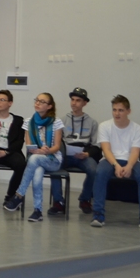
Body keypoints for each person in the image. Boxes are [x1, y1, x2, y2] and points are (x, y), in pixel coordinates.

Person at [91, 95, 140, 230]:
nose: (117, 113)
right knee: (100, 172)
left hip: (131, 160)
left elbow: (135, 152)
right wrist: (116, 165)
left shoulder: (137, 129)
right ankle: (98, 215)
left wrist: (129, 166)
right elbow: (106, 150)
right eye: (114, 110)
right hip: (110, 160)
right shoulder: (104, 126)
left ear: (128, 111)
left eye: (120, 110)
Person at [4, 93, 64, 223]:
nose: (37, 103)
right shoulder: (28, 122)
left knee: (34, 159)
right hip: (36, 158)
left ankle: (19, 195)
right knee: (36, 178)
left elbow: (57, 147)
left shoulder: (56, 122)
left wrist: (46, 151)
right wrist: (37, 151)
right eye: (37, 100)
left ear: (49, 106)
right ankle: (38, 211)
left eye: (42, 102)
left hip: (52, 159)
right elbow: (29, 145)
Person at [49, 87, 100, 216]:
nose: (74, 103)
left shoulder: (92, 123)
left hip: (83, 156)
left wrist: (87, 154)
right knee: (54, 167)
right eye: (72, 100)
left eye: (78, 100)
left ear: (85, 103)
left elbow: (96, 145)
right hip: (64, 155)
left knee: (94, 170)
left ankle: (84, 200)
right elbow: (56, 141)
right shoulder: (61, 121)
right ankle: (58, 202)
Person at [0, 90, 26, 208]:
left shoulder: (18, 120)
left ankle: (11, 195)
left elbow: (19, 141)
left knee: (21, 164)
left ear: (10, 103)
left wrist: (6, 152)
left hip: (9, 151)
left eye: (2, 100)